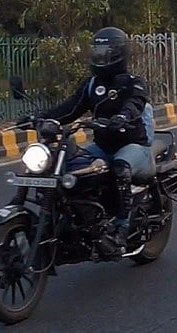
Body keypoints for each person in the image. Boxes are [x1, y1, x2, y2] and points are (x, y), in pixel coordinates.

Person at [24, 27, 156, 257]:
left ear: (119, 54)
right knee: (73, 167)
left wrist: (123, 117)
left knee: (121, 166)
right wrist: (42, 118)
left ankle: (122, 228)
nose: (100, 57)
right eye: (97, 51)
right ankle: (81, 217)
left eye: (106, 52)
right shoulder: (92, 84)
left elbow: (136, 103)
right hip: (103, 147)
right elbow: (70, 108)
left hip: (134, 147)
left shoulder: (133, 83)